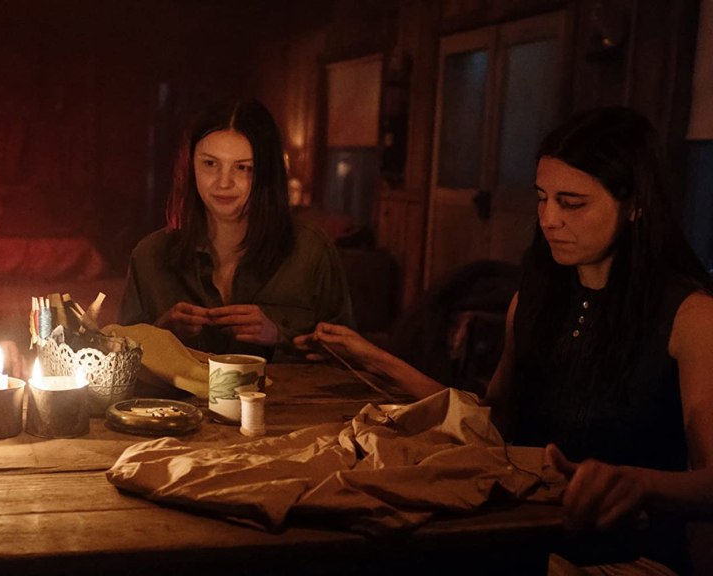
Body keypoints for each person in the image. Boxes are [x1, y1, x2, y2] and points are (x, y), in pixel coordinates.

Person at [296, 107, 713, 574]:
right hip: (520, 530)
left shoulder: (690, 316)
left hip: (629, 553)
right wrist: (373, 359)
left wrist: (636, 483)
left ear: (635, 204)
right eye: (541, 198)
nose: (549, 219)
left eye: (571, 203)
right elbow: (492, 421)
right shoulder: (538, 294)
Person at [119, 99, 354, 361]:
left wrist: (278, 336)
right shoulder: (150, 256)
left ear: (266, 173)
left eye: (243, 168)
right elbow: (117, 364)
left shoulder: (309, 252)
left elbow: (346, 361)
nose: (223, 182)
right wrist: (160, 334)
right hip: (176, 403)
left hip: (284, 401)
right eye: (210, 164)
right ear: (191, 166)